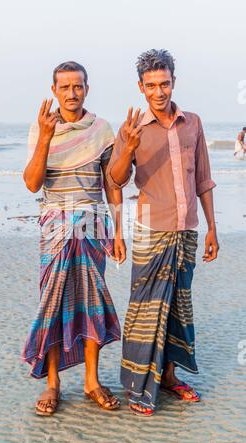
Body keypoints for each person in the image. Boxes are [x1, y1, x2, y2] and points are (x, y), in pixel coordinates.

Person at [106, 49, 219, 416]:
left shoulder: (194, 123)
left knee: (176, 307)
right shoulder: (133, 129)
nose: (159, 91)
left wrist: (212, 229)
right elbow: (116, 179)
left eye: (164, 83)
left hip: (186, 231)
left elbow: (202, 178)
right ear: (141, 87)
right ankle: (138, 388)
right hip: (151, 231)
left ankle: (168, 377)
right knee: (145, 309)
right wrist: (129, 148)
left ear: (173, 81)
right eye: (151, 85)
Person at [22, 61, 126, 416]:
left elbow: (112, 183)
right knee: (53, 303)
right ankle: (53, 384)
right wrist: (46, 137)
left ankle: (92, 381)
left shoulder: (101, 129)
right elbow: (33, 183)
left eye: (77, 86)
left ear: (87, 88)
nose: (71, 93)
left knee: (91, 302)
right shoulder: (43, 129)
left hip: (93, 224)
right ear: (54, 91)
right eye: (64, 87)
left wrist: (119, 230)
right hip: (55, 224)